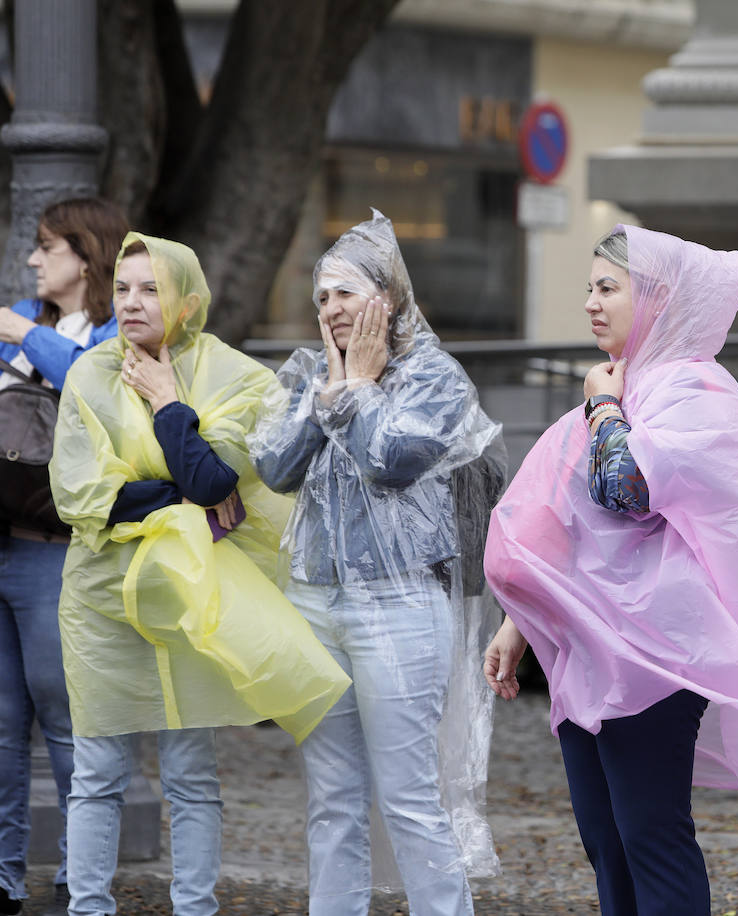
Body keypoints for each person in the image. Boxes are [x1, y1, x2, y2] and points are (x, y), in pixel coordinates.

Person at [482, 226, 738, 916]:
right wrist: (518, 622)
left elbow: (622, 489)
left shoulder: (697, 395)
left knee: (650, 835)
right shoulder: (626, 385)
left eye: (608, 288)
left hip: (659, 652)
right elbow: (567, 522)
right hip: (591, 645)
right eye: (589, 288)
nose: (591, 304)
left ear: (656, 298)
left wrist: (602, 405)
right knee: (606, 840)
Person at [50, 233, 351, 916]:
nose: (131, 302)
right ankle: (88, 908)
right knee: (96, 772)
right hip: (103, 598)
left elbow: (215, 474)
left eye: (150, 288)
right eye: (122, 288)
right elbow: (83, 498)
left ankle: (195, 909)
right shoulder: (89, 376)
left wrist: (165, 401)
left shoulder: (237, 377)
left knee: (190, 770)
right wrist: (184, 495)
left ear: (189, 299)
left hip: (191, 596)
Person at [251, 210, 506, 916]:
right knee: (332, 798)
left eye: (345, 293)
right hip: (317, 600)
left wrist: (359, 388)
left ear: (387, 299)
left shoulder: (435, 377)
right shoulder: (312, 374)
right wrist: (329, 389)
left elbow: (391, 460)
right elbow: (273, 465)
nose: (330, 309)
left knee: (408, 795)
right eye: (322, 297)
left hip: (398, 604)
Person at [0, 198, 127, 916]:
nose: (33, 261)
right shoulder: (23, 316)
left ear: (84, 255)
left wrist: (22, 334)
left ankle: (82, 876)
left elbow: (97, 388)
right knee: (1, 723)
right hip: (5, 544)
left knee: (67, 721)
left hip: (62, 554)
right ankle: (3, 873)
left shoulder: (113, 330)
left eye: (46, 248)